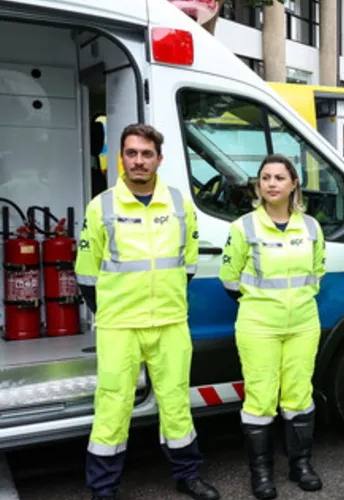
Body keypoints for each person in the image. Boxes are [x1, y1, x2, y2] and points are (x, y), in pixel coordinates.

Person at [75, 124, 219, 500]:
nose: (138, 161)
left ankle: (187, 475)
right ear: (121, 157)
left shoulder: (178, 203)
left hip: (170, 322)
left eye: (146, 154)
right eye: (131, 153)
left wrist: (165, 300)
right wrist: (112, 311)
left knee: (176, 403)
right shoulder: (101, 206)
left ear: (159, 158)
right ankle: (103, 488)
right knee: (112, 405)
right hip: (120, 325)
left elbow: (186, 264)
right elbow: (86, 273)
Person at [220, 155, 325, 499]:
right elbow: (229, 278)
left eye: (280, 177)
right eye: (265, 177)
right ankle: (262, 473)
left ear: (294, 183)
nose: (272, 184)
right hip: (258, 326)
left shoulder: (311, 227)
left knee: (299, 396)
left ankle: (301, 465)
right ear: (258, 185)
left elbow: (317, 273)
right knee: (261, 399)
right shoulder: (244, 228)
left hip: (304, 325)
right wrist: (262, 306)